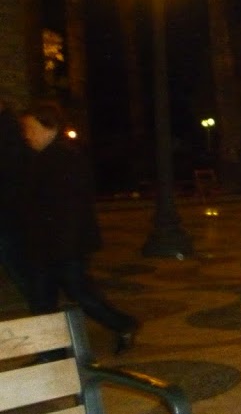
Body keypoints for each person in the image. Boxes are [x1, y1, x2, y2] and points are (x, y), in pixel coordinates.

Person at [17, 101, 138, 355]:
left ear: (50, 128)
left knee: (79, 294)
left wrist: (62, 248)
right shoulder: (43, 158)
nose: (27, 135)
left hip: (62, 247)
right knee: (43, 300)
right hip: (47, 246)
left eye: (31, 128)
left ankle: (123, 324)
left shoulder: (64, 159)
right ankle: (52, 353)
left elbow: (70, 210)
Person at [0, 94, 31, 300]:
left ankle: (41, 305)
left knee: (15, 260)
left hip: (8, 211)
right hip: (8, 209)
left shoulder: (9, 128)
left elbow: (11, 169)